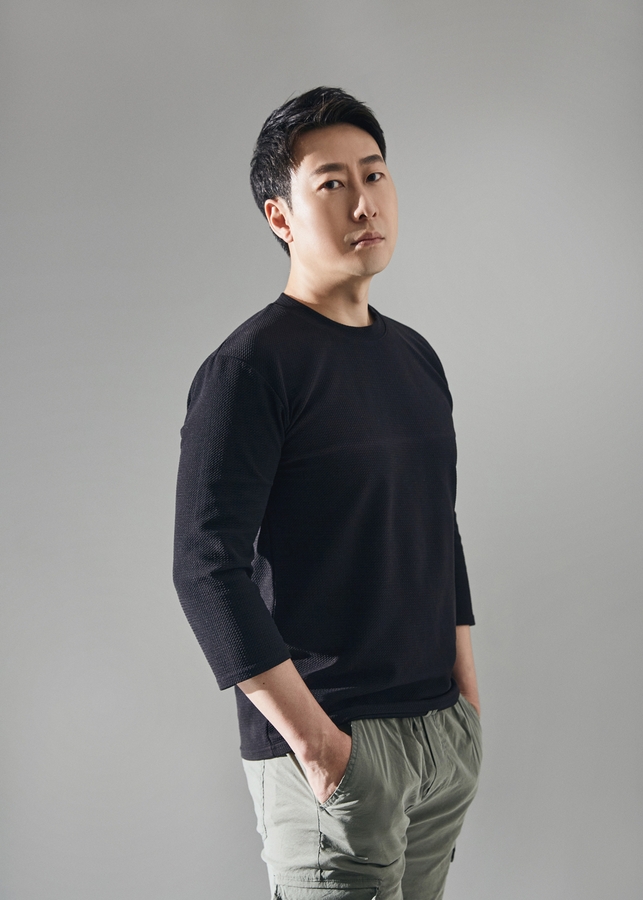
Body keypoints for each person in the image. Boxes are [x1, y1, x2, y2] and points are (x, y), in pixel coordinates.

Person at [173, 86, 482, 900]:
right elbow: (204, 568)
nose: (363, 203)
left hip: (438, 737)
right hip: (336, 745)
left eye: (373, 175)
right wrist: (316, 746)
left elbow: (437, 524)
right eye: (332, 184)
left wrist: (465, 701)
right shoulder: (249, 370)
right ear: (280, 217)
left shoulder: (413, 357)